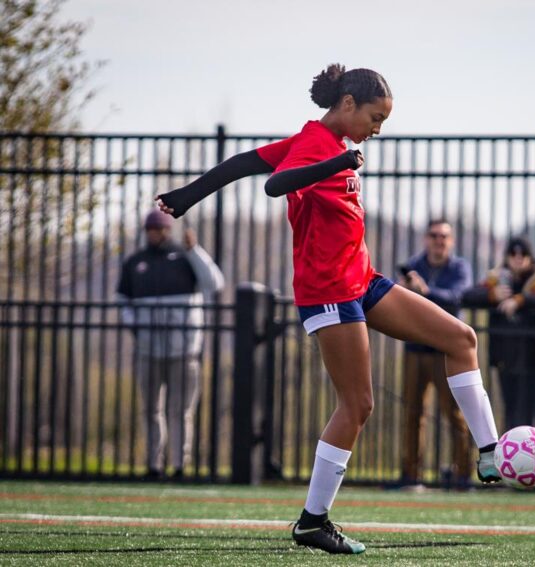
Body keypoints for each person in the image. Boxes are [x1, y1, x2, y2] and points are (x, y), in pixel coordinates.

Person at [155, 63, 501, 555]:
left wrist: (187, 196)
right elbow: (275, 185)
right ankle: (312, 522)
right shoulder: (316, 147)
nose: (377, 129)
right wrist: (334, 166)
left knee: (461, 339)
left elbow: (241, 164)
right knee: (358, 404)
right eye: (375, 117)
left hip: (362, 281)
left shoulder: (327, 144)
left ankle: (490, 453)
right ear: (347, 105)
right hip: (327, 292)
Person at [116, 210, 224, 480]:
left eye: (159, 228)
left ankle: (179, 465)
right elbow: (122, 301)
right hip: (147, 349)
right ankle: (154, 465)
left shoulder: (185, 257)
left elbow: (214, 283)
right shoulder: (135, 263)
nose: (154, 233)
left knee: (181, 410)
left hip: (184, 350)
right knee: (150, 409)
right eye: (150, 229)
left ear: (168, 230)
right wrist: (137, 329)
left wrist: (195, 250)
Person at [398, 219, 473, 489]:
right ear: (425, 239)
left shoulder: (459, 267)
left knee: (455, 413)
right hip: (415, 348)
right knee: (412, 413)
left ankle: (463, 475)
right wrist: (405, 290)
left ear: (450, 241)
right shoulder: (414, 266)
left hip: (445, 350)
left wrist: (425, 292)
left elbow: (456, 297)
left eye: (444, 236)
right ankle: (410, 475)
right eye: (434, 235)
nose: (439, 241)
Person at [463, 236, 535, 429]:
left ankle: (532, 455)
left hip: (532, 356)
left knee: (529, 411)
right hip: (504, 355)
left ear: (531, 257)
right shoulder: (498, 278)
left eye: (523, 254)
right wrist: (492, 295)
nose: (518, 258)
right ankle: (512, 454)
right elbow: (467, 297)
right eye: (513, 254)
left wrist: (522, 300)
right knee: (510, 409)